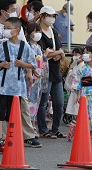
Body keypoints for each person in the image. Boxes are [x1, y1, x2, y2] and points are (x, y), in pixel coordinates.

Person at [0, 0, 41, 148]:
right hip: (2, 84)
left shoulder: (22, 40)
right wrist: (0, 65)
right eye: (12, 9)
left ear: (16, 30)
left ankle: (20, 136)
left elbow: (31, 61)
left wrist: (27, 68)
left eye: (9, 28)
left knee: (17, 112)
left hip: (18, 84)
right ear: (3, 11)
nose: (6, 31)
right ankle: (0, 140)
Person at [37, 6, 66, 139]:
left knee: (59, 103)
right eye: (49, 16)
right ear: (42, 16)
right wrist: (58, 53)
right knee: (43, 101)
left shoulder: (53, 31)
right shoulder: (37, 32)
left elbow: (59, 51)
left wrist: (57, 53)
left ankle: (55, 128)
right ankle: (43, 129)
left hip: (55, 70)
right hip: (44, 71)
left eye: (54, 16)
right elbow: (43, 54)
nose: (52, 18)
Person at [26, 22, 48, 131]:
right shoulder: (28, 46)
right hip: (32, 77)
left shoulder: (38, 46)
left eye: (39, 31)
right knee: (30, 100)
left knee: (36, 101)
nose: (37, 34)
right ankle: (30, 126)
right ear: (29, 33)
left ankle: (33, 125)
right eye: (34, 31)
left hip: (39, 77)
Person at [65, 47, 84, 119]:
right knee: (74, 106)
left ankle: (76, 120)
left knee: (77, 106)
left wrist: (71, 72)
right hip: (73, 88)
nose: (75, 56)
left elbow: (76, 75)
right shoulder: (75, 65)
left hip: (78, 88)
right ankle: (74, 120)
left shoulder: (83, 66)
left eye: (76, 54)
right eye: (73, 54)